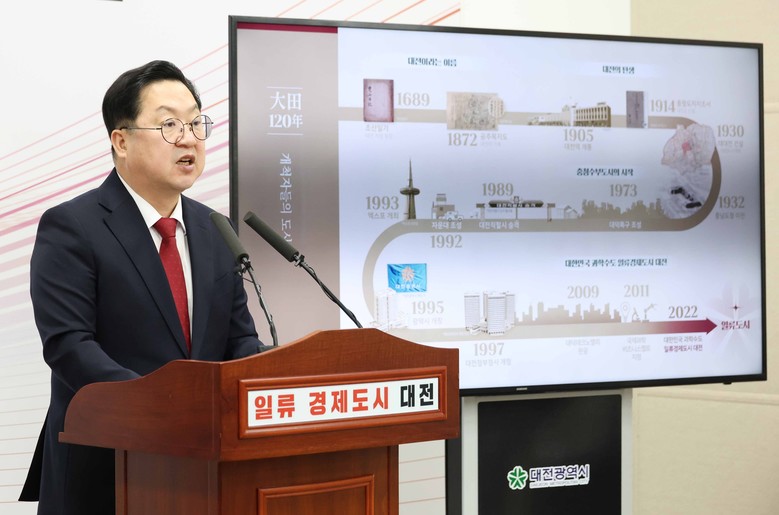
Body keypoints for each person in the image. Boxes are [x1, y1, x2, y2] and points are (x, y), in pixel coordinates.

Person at [19, 60, 266, 514]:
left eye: (196, 123)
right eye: (169, 124)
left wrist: (273, 378)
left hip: (205, 473)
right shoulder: (73, 226)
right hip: (106, 470)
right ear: (121, 141)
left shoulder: (215, 229)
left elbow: (240, 340)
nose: (189, 138)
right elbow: (69, 346)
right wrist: (162, 409)